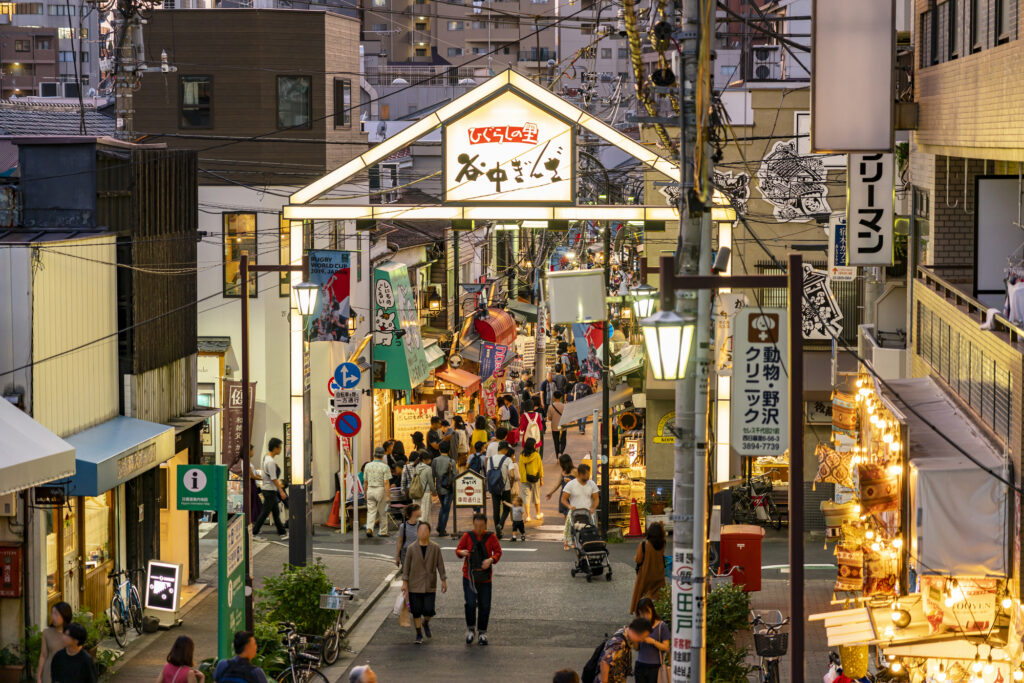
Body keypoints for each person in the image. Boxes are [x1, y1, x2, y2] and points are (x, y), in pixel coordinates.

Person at [455, 513, 502, 646]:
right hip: (469, 577)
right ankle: (470, 630)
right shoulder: (467, 536)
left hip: (485, 578)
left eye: (481, 526)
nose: (479, 529)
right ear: (473, 524)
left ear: (486, 525)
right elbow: (458, 550)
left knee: (485, 605)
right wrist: (462, 552)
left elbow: (498, 552)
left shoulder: (491, 536)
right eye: (476, 526)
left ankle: (482, 632)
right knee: (469, 603)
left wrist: (491, 559)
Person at [402, 521, 448, 645]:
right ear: (417, 532)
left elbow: (440, 564)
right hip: (414, 584)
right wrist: (404, 583)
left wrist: (443, 580)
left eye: (425, 530)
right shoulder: (411, 548)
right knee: (416, 611)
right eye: (420, 530)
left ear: (429, 532)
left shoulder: (435, 547)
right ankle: (418, 634)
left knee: (428, 610)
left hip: (429, 584)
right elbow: (406, 567)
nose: (423, 533)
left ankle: (426, 623)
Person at [597, 618, 653, 683]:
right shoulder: (619, 642)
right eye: (642, 637)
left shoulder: (625, 632)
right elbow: (605, 662)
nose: (642, 640)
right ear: (636, 632)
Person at [252, 438, 287, 539]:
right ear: (275, 448)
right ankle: (254, 532)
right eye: (280, 448)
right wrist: (281, 491)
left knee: (275, 512)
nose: (280, 450)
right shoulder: (270, 462)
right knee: (265, 512)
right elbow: (274, 478)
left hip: (267, 489)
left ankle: (282, 532)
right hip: (269, 490)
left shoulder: (266, 457)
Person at [631, 522, 667, 613]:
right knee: (659, 595)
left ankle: (640, 612)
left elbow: (638, 560)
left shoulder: (644, 544)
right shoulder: (663, 543)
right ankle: (659, 612)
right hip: (659, 573)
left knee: (641, 594)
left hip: (646, 574)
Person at [560, 463, 599, 547]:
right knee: (570, 529)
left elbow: (596, 498)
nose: (589, 476)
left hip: (588, 513)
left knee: (589, 531)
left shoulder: (592, 484)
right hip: (575, 512)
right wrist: (569, 506)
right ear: (581, 474)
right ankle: (567, 543)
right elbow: (563, 499)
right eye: (587, 474)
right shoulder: (571, 484)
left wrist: (593, 508)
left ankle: (587, 544)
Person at [633, 598, 670, 683]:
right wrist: (634, 638)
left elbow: (666, 647)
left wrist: (653, 642)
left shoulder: (661, 626)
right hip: (640, 665)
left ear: (652, 610)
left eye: (646, 612)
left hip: (655, 667)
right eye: (641, 613)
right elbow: (636, 648)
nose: (644, 616)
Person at [486, 440, 515, 538]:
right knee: (506, 508)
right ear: (505, 450)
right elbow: (512, 474)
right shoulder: (507, 460)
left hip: (494, 487)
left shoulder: (490, 460)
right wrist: (510, 483)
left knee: (496, 509)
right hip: (505, 487)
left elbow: (488, 473)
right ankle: (500, 525)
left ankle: (498, 533)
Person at [38, 601, 72, 683]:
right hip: (49, 672)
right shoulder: (46, 633)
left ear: (64, 615)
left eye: (56, 614)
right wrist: (39, 677)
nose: (53, 617)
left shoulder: (72, 633)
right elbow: (43, 655)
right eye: (52, 613)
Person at [363, 447, 392, 538]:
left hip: (370, 489)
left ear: (374, 454)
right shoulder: (385, 467)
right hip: (380, 490)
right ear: (383, 455)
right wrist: (388, 495)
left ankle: (369, 528)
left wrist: (365, 492)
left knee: (371, 511)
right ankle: (383, 531)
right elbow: (386, 482)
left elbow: (365, 481)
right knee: (382, 511)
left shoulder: (367, 466)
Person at [517, 438, 543, 521]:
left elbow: (521, 468)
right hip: (535, 478)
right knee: (536, 496)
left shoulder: (521, 455)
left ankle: (528, 516)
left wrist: (523, 477)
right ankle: (538, 514)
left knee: (526, 497)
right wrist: (541, 479)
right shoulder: (536, 455)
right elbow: (540, 468)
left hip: (525, 479)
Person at [432, 441, 455, 537]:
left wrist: (433, 488)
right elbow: (455, 475)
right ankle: (441, 529)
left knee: (443, 507)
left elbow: (433, 475)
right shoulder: (452, 461)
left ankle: (440, 526)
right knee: (446, 508)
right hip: (449, 488)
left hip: (439, 486)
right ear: (449, 449)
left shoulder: (435, 460)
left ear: (439, 449)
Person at [412, 450, 435, 522]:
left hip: (416, 492)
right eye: (429, 459)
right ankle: (423, 529)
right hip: (425, 492)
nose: (430, 460)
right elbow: (431, 482)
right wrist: (434, 491)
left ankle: (416, 527)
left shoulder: (415, 467)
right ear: (424, 460)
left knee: (417, 511)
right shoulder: (428, 469)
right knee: (425, 512)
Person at [548, 390, 567, 457]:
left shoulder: (550, 406)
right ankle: (561, 452)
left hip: (554, 427)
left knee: (556, 442)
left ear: (554, 397)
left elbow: (549, 418)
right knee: (563, 441)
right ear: (561, 397)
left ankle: (557, 455)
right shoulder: (564, 406)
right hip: (563, 427)